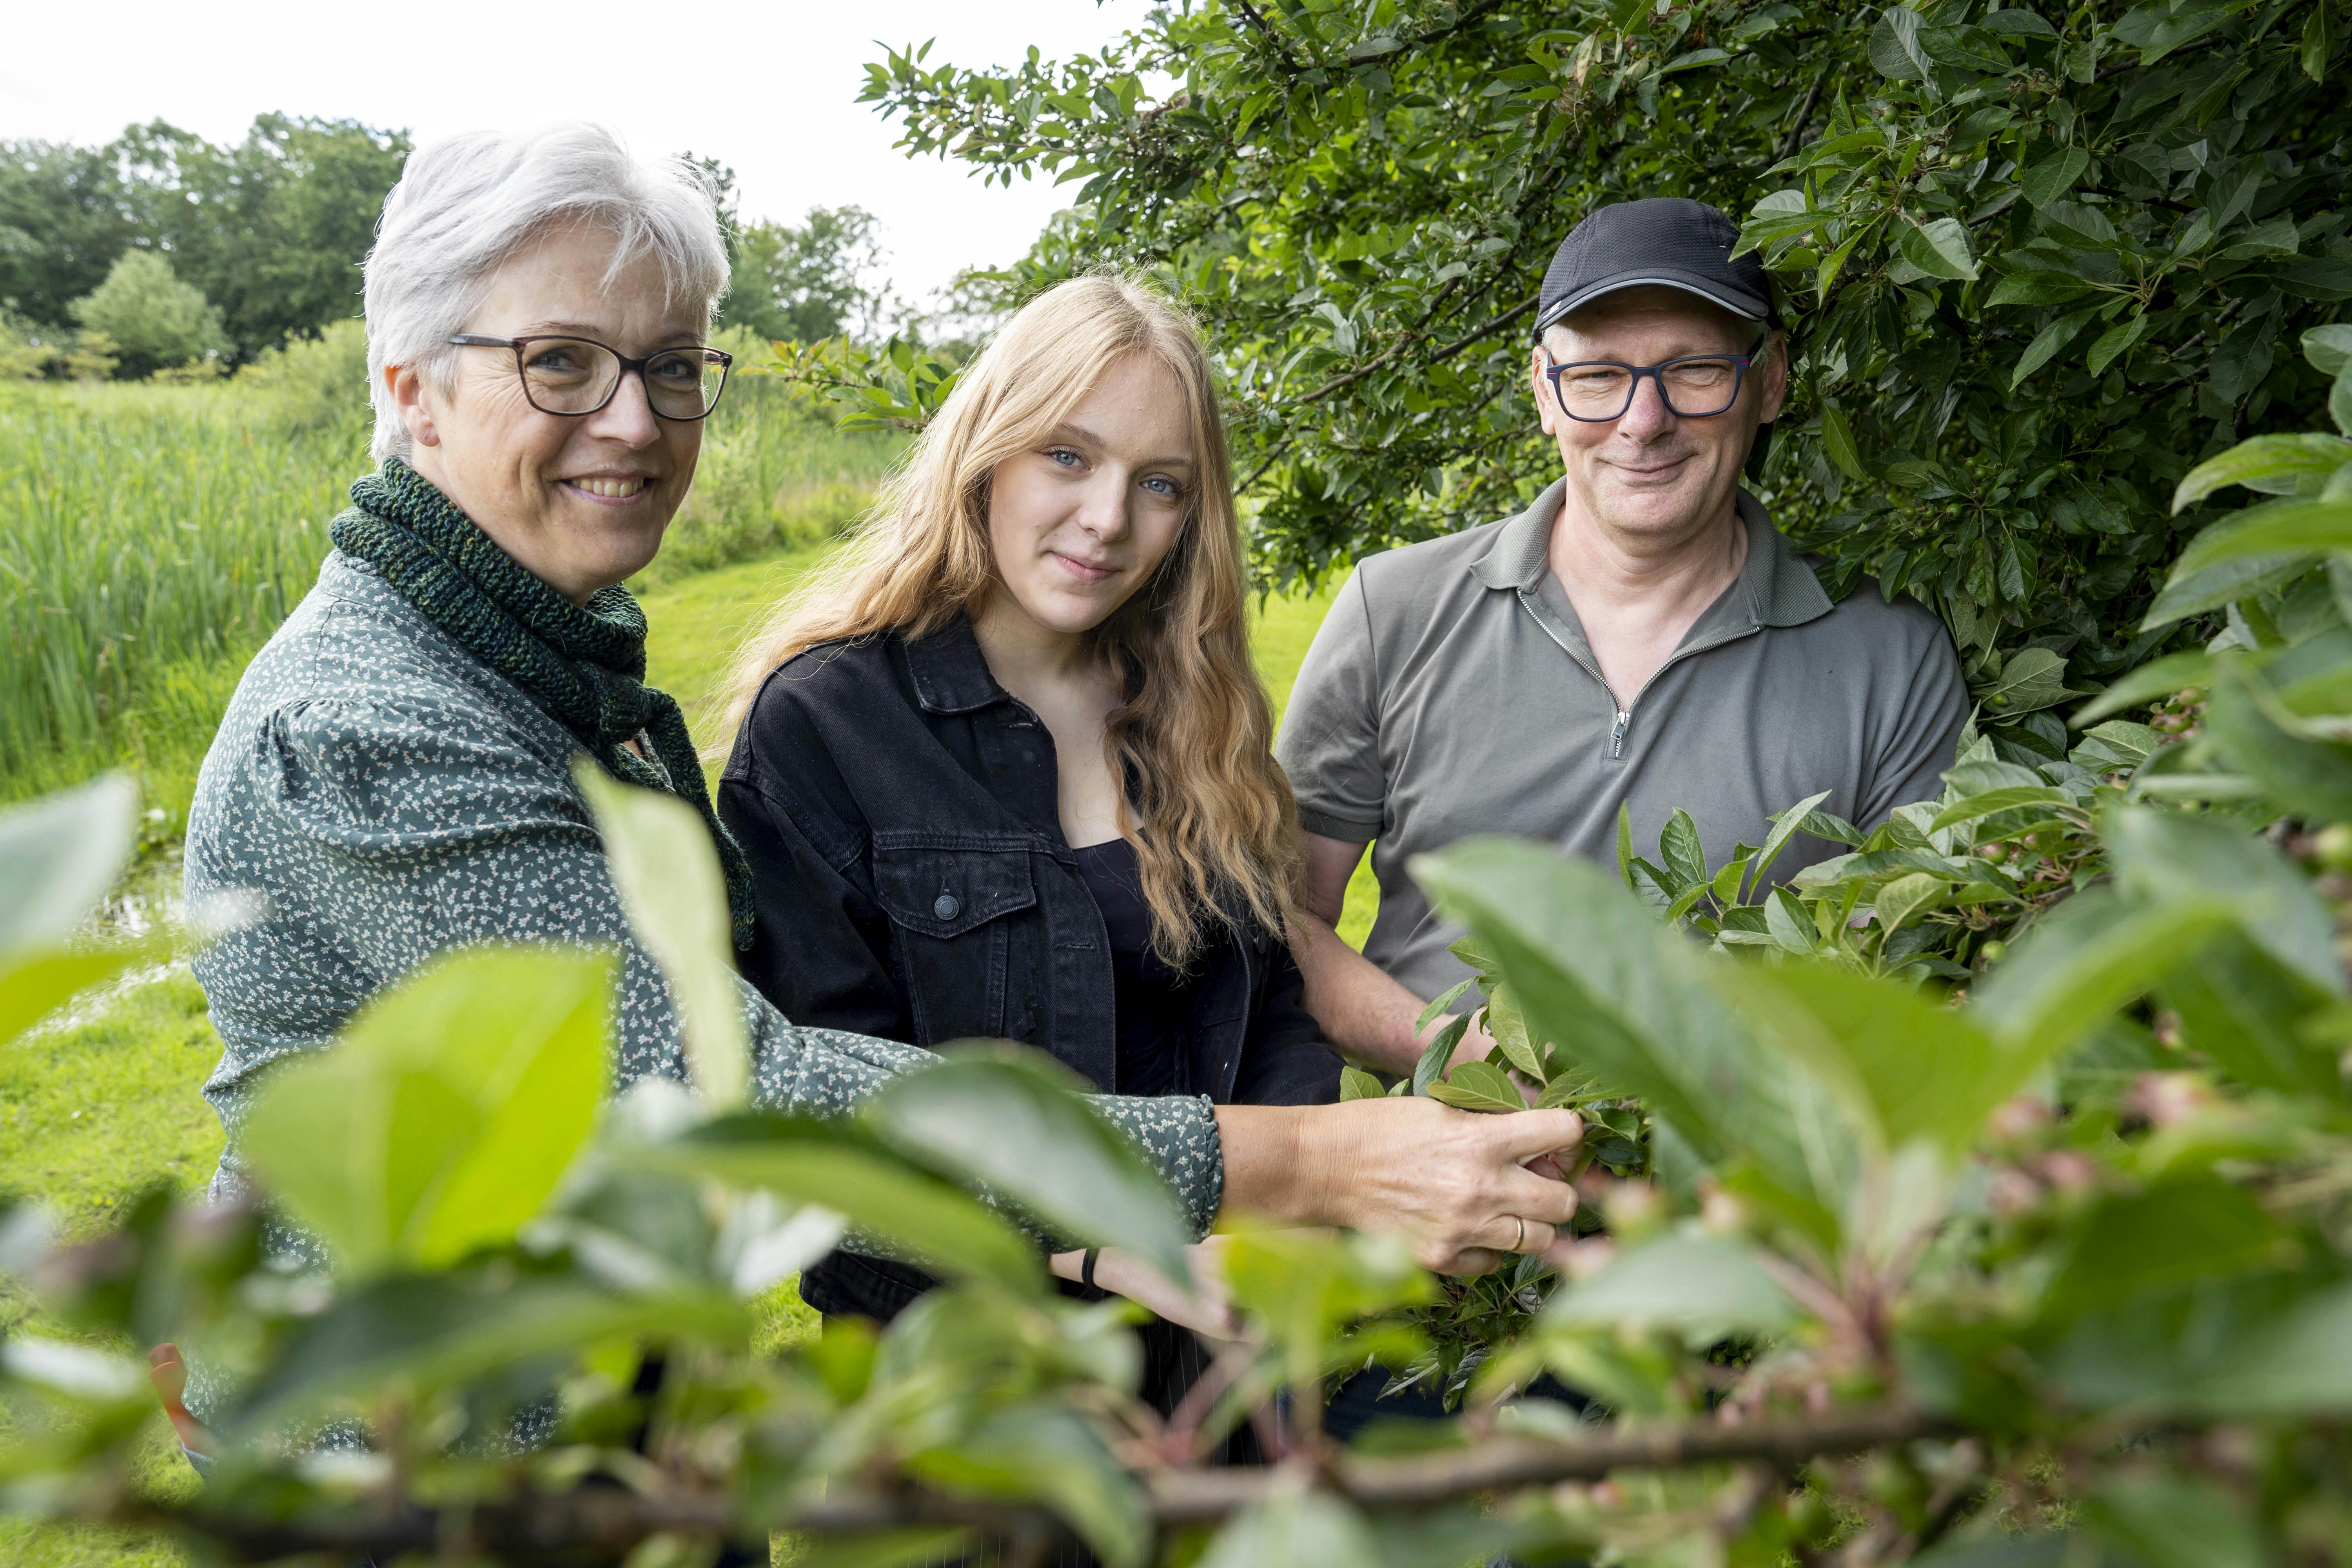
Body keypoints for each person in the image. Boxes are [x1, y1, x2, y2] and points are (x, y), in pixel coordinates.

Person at [182, 123, 1581, 1343]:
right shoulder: (379, 725)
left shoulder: (546, 679)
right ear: (412, 387)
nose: (635, 418)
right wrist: (1300, 1170)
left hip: (645, 1431)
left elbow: (1265, 971)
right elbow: (745, 1090)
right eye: (560, 363)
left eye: (672, 368)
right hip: (462, 1458)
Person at [1274, 199, 1967, 1437]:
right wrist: (1462, 1056)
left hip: (1749, 1302)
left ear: (1768, 384)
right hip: (1433, 1269)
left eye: (1694, 371)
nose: (1642, 421)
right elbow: (1279, 919)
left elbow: (1922, 1006)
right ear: (1542, 391)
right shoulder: (1395, 610)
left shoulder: (1890, 662)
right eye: (1597, 376)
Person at [715, 275, 1342, 1443]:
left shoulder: (1198, 715)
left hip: (1225, 1369)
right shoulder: (828, 727)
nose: (1109, 518)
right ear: (986, 454)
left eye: (1161, 486)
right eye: (1068, 456)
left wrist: (1284, 1219)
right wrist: (1117, 1249)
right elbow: (828, 1108)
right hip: (964, 1396)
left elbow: (1277, 1012)